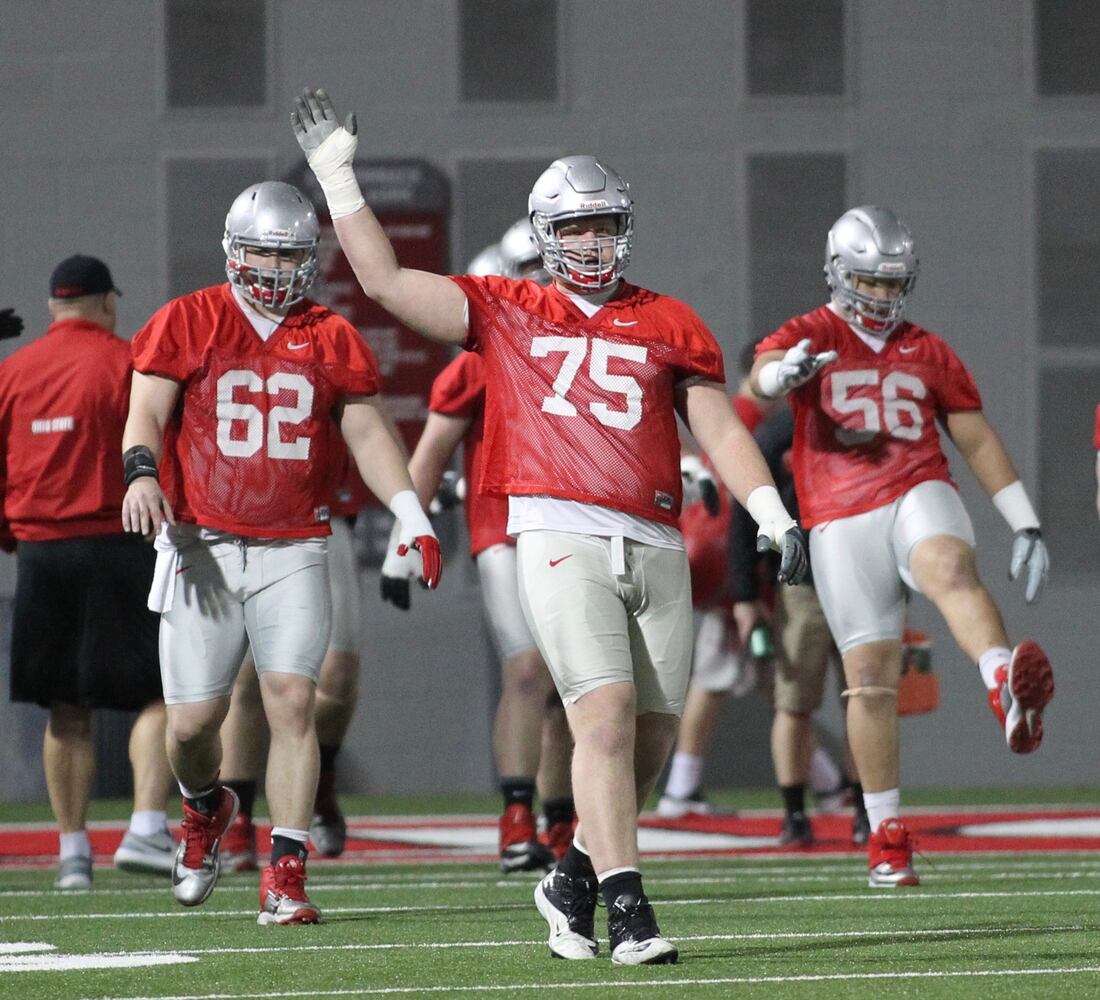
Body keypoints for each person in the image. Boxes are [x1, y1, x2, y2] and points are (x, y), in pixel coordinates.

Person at [291, 88, 807, 965]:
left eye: (603, 226)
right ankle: (629, 909)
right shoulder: (506, 309)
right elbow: (383, 282)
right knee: (599, 718)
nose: (591, 243)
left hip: (654, 537)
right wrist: (338, 176)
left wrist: (769, 510)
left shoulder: (671, 320)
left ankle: (569, 872)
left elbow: (718, 427)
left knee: (646, 738)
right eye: (574, 230)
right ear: (544, 236)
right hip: (557, 529)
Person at [120, 181, 441, 924]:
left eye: (289, 252)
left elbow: (367, 435)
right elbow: (147, 411)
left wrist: (409, 511)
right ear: (233, 250)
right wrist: (141, 471)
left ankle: (287, 874)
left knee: (292, 702)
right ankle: (206, 810)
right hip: (202, 543)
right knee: (193, 727)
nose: (273, 265)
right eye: (262, 249)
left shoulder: (331, 334)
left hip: (296, 542)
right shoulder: (189, 319)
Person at [750, 205, 1054, 887]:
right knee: (870, 682)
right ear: (837, 273)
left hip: (915, 484)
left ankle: (1003, 681)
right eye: (871, 282)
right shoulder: (813, 332)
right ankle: (886, 834)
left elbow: (974, 437)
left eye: (894, 284)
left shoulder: (929, 349)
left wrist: (1023, 520)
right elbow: (758, 375)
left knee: (949, 563)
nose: (883, 296)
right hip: (836, 514)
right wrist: (784, 374)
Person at [382, 218, 575, 873]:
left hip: (576, 521)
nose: (540, 285)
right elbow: (431, 452)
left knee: (574, 681)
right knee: (528, 670)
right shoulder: (478, 357)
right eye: (528, 272)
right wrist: (402, 544)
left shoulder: (587, 340)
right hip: (505, 522)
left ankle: (562, 813)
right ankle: (519, 812)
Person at [0, 257, 176, 890]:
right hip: (120, 542)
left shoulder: (12, 373)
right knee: (159, 694)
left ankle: (73, 852)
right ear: (106, 302)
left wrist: (13, 536)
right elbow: (160, 446)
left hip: (42, 553)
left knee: (64, 708)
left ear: (52, 308)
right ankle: (147, 826)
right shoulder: (128, 363)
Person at [726, 404, 869, 847]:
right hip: (802, 580)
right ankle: (794, 813)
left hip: (866, 578)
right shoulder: (783, 428)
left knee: (867, 698)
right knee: (793, 702)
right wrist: (746, 592)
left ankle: (869, 810)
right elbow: (744, 507)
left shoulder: (873, 417)